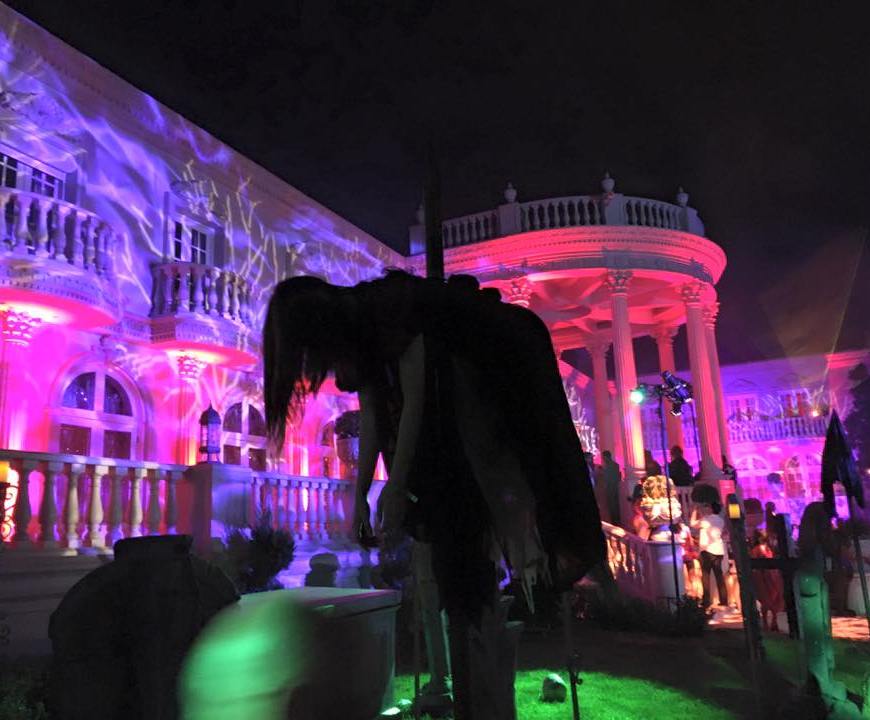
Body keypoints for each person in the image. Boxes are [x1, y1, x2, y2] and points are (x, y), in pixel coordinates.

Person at [263, 270, 605, 717]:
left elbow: (415, 402)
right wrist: (360, 495)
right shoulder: (360, 337)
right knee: (454, 571)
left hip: (488, 379)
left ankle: (485, 687)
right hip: (452, 420)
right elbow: (374, 416)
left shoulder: (389, 308)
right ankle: (477, 683)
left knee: (472, 555)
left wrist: (398, 485)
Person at [690, 501, 729, 609]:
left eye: (708, 507)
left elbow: (693, 524)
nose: (706, 509)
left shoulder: (706, 520)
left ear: (711, 509)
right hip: (719, 550)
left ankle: (706, 601)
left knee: (706, 576)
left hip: (707, 551)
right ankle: (724, 600)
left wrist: (695, 511)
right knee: (719, 576)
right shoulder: (720, 520)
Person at [749, 530, 785, 631]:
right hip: (762, 576)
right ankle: (766, 622)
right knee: (765, 598)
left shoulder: (768, 548)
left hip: (771, 575)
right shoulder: (756, 550)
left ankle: (774, 621)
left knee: (774, 598)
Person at [601, 450, 622, 527]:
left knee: (612, 504)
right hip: (615, 486)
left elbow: (607, 477)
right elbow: (618, 476)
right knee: (615, 503)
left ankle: (614, 520)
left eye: (603, 457)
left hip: (610, 487)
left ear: (606, 457)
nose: (603, 458)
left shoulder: (607, 466)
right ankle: (617, 520)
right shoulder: (615, 465)